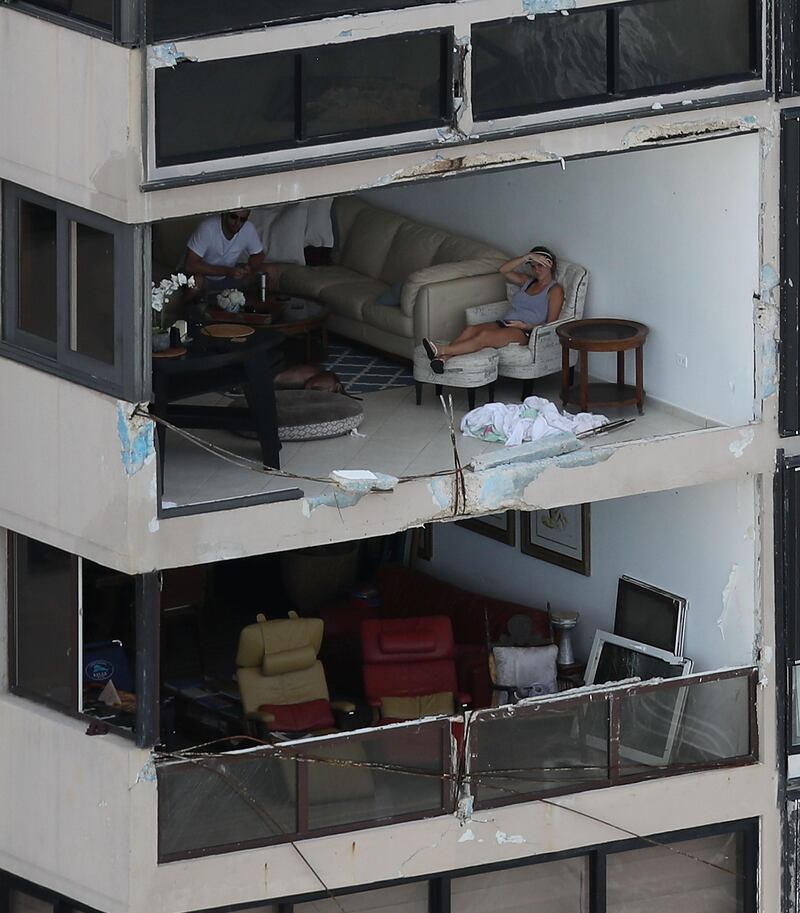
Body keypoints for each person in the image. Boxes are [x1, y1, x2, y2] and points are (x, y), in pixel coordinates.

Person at [422, 246, 564, 374]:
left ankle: (441, 350)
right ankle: (442, 360)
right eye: (533, 266)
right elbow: (503, 270)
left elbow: (551, 324)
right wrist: (527, 257)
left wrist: (526, 326)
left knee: (483, 336)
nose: (537, 270)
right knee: (470, 330)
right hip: (506, 322)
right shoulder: (528, 281)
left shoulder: (554, 290)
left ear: (550, 265)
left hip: (524, 331)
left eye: (540, 266)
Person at [183, 209, 279, 305]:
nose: (237, 223)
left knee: (270, 271)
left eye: (242, 219)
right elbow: (190, 265)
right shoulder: (208, 227)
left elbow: (259, 255)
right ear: (224, 214)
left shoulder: (248, 228)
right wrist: (226, 271)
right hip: (205, 278)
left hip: (231, 276)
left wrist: (249, 267)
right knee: (195, 281)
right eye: (233, 217)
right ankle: (184, 314)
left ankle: (262, 310)